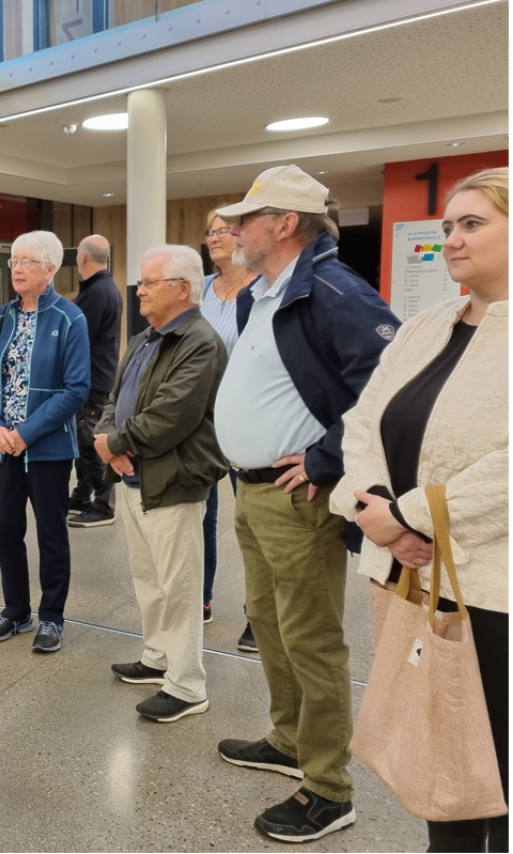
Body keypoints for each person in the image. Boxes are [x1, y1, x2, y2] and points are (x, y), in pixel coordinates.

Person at [211, 165, 400, 843]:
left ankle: (327, 786)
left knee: (310, 636)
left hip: (297, 499)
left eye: (243, 219)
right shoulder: (257, 294)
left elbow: (387, 384)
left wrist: (324, 457)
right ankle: (288, 738)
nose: (231, 230)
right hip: (251, 490)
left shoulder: (332, 292)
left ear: (284, 224)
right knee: (265, 617)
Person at [330, 167, 508, 853]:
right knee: (446, 769)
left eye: (471, 224)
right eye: (446, 228)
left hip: (491, 589)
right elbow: (361, 423)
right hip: (412, 578)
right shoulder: (426, 325)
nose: (451, 241)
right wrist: (370, 510)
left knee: (495, 763)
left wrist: (408, 515)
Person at [97, 245, 228, 723]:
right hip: (135, 477)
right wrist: (108, 440)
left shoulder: (199, 341)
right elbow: (116, 397)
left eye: (151, 282)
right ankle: (156, 658)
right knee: (148, 579)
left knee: (180, 586)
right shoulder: (145, 339)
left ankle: (187, 684)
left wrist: (114, 443)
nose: (141, 289)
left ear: (184, 288)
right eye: (142, 282)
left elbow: (174, 414)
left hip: (173, 479)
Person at [0, 230, 90, 654]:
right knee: (6, 527)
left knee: (50, 533)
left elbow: (76, 388)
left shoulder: (69, 319)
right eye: (13, 262)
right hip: (0, 446)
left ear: (50, 269)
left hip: (47, 448)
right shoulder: (2, 317)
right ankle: (16, 609)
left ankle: (53, 616)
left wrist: (26, 432)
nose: (17, 269)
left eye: (26, 262)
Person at [200, 212, 258, 645]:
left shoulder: (262, 288)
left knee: (252, 521)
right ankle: (198, 599)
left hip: (247, 421)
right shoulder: (199, 288)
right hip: (199, 421)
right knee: (198, 516)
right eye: (209, 231)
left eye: (221, 229)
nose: (213, 237)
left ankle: (258, 613)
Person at [68, 234, 122, 529]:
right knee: (83, 441)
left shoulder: (99, 292)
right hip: (96, 377)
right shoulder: (101, 288)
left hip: (92, 380)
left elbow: (79, 340)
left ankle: (104, 505)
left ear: (83, 257)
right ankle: (81, 496)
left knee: (90, 443)